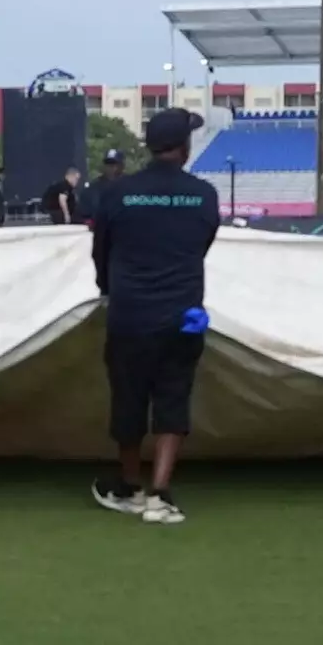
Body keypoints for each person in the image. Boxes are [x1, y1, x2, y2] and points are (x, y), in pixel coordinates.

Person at [84, 108, 223, 525]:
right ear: (184, 147)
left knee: (128, 401)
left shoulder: (118, 192)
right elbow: (202, 244)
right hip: (183, 316)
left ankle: (129, 485)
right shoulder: (203, 194)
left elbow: (101, 251)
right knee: (172, 400)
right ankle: (160, 495)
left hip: (129, 315)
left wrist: (111, 286)